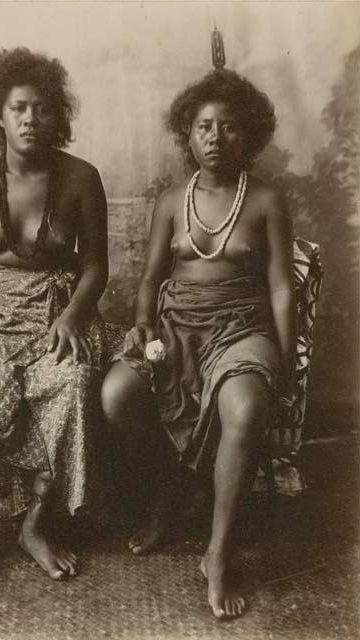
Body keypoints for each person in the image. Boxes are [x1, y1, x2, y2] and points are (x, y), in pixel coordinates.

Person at [101, 67, 297, 618]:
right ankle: (167, 495)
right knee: (117, 393)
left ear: (250, 136)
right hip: (175, 326)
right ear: (187, 135)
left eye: (230, 127)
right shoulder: (170, 201)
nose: (215, 136)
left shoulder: (264, 201)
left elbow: (282, 288)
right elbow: (149, 279)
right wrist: (142, 322)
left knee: (247, 402)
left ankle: (218, 551)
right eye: (204, 126)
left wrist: (281, 360)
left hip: (241, 327)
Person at [0, 47, 122, 587]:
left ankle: (36, 524)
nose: (31, 119)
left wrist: (75, 317)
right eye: (18, 109)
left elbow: (96, 267)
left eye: (41, 108)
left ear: (59, 115)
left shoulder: (82, 178)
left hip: (56, 311)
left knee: (75, 379)